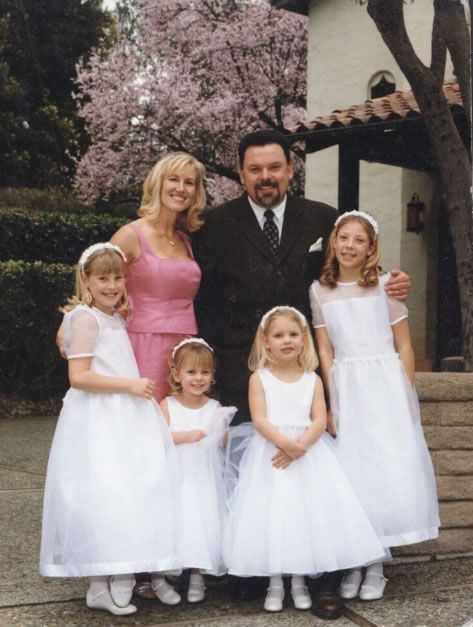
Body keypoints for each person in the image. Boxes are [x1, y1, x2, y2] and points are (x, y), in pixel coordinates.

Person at [193, 129, 410, 615]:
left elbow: (352, 273)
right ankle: (259, 568)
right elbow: (203, 301)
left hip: (313, 371)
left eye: (274, 167)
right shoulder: (215, 225)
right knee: (256, 478)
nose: (265, 177)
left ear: (291, 169)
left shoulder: (324, 219)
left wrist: (394, 282)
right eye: (255, 169)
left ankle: (324, 574)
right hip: (244, 370)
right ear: (242, 174)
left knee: (322, 474)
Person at [40, 243, 181, 616]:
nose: (112, 285)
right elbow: (79, 376)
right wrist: (130, 385)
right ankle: (108, 580)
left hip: (123, 414)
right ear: (85, 279)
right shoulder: (86, 318)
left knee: (128, 491)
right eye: (102, 278)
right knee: (106, 492)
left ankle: (111, 580)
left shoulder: (110, 317)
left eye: (118, 278)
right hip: (100, 418)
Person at [309, 211, 440, 601]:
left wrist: (404, 391)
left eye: (358, 240)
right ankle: (359, 557)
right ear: (334, 242)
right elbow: (325, 349)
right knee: (355, 472)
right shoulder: (319, 290)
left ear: (370, 248)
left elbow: (403, 344)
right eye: (343, 238)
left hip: (383, 386)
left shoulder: (385, 286)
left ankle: (378, 564)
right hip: (348, 386)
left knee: (386, 469)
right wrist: (332, 401)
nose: (349, 246)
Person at [223, 306, 386, 614]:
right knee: (275, 517)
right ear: (266, 341)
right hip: (272, 455)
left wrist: (301, 446)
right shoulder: (260, 378)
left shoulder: (311, 379)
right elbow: (259, 419)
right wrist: (286, 445)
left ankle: (298, 582)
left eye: (294, 334)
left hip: (308, 455)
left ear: (303, 339)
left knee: (301, 518)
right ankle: (275, 583)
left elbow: (319, 417)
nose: (287, 341)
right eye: (279, 335)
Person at [110, 151, 206, 401]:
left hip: (184, 347)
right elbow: (95, 282)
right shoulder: (131, 234)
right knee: (144, 420)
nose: (181, 188)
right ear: (158, 184)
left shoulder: (185, 240)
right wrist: (73, 323)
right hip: (141, 344)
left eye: (189, 182)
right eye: (173, 179)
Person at [160, 338, 236, 603]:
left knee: (203, 521)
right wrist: (187, 435)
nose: (198, 378)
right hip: (177, 475)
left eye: (205, 372)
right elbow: (159, 437)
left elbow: (224, 441)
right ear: (176, 374)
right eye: (191, 372)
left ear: (212, 376)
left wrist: (220, 429)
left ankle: (197, 577)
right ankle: (172, 573)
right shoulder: (167, 405)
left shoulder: (214, 408)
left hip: (204, 476)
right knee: (180, 520)